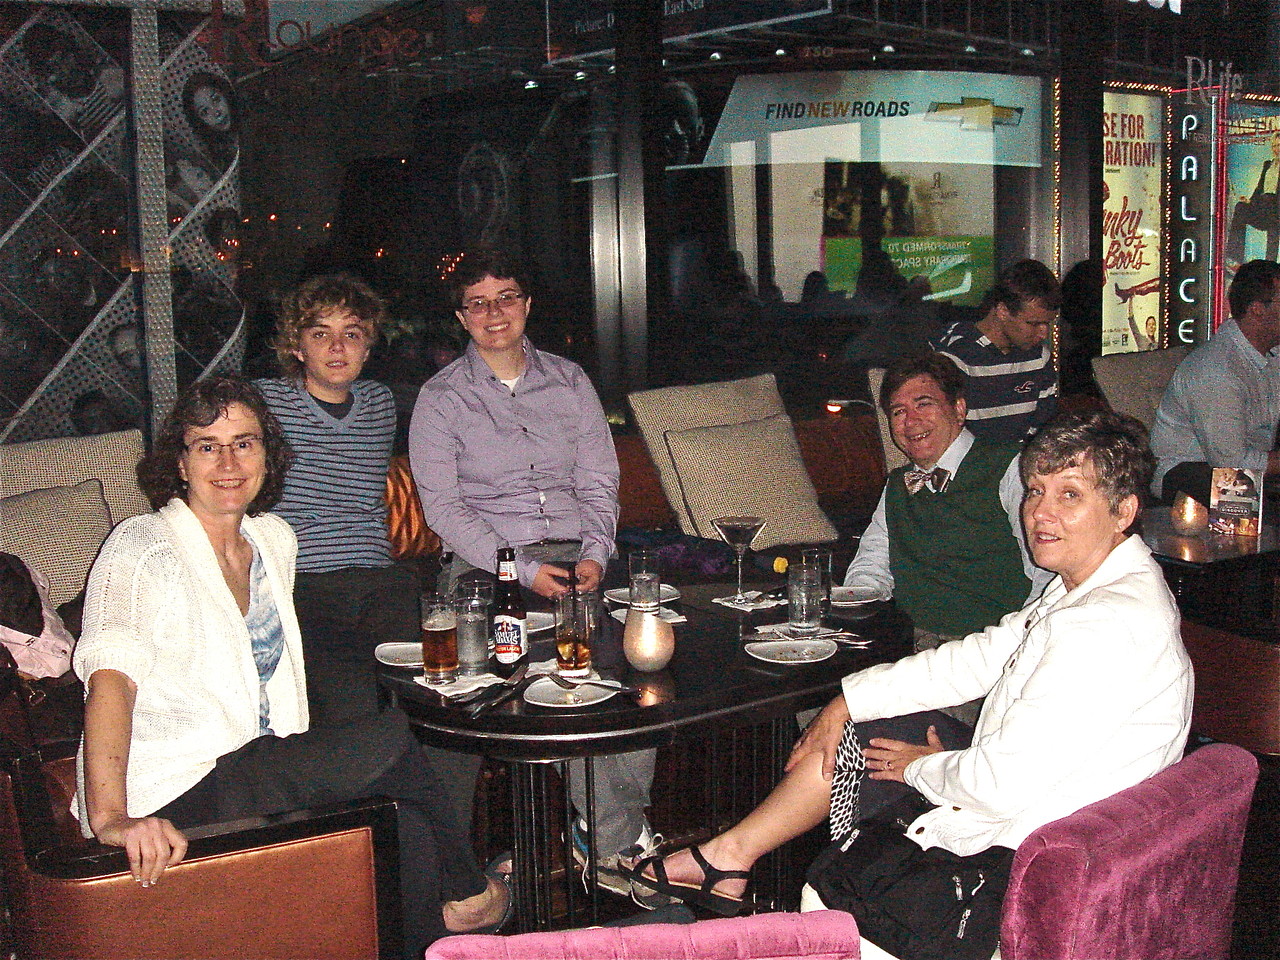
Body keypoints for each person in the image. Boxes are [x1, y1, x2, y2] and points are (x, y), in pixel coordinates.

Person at [626, 411, 1191, 960]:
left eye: (1069, 495)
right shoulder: (1086, 589)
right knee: (866, 727)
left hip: (1025, 860)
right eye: (1035, 490)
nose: (1040, 512)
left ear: (1123, 511)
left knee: (869, 766)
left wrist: (922, 766)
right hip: (1037, 805)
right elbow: (978, 657)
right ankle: (730, 857)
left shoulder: (1101, 624)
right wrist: (847, 697)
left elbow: (999, 785)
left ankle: (749, 878)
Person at [71, 377, 510, 957]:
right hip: (176, 790)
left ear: (267, 455)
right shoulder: (141, 548)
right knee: (393, 738)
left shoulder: (273, 539)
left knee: (399, 823)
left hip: (258, 765)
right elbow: (110, 681)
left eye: (244, 443)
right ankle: (472, 892)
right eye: (207, 445)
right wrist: (112, 818)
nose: (228, 462)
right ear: (179, 463)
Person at [409, 246, 661, 904]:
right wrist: (518, 566)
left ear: (527, 304)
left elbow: (600, 481)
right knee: (519, 670)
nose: (495, 313)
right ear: (462, 316)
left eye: (507, 297)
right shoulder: (439, 401)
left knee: (626, 673)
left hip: (578, 555)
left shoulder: (571, 380)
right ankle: (606, 839)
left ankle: (609, 834)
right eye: (478, 302)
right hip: (483, 561)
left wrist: (595, 555)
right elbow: (443, 508)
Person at [845, 353, 1051, 722]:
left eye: (923, 404)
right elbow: (871, 564)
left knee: (863, 730)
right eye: (897, 412)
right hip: (908, 646)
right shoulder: (897, 485)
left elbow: (1047, 575)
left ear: (958, 409)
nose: (910, 422)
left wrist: (1021, 659)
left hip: (980, 658)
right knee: (819, 702)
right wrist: (851, 616)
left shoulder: (1010, 469)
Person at [255, 274, 414, 728]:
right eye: (320, 334)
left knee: (428, 696)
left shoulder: (381, 402)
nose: (338, 348)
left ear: (368, 348)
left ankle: (419, 798)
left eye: (352, 335)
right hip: (304, 581)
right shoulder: (265, 401)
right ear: (297, 347)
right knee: (351, 703)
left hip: (380, 578)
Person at [1150, 258, 1280, 505]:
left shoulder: (1272, 355)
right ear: (1257, 310)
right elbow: (1232, 464)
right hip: (1190, 477)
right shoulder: (1217, 370)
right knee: (1238, 488)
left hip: (1245, 473)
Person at [931, 259, 1060, 443]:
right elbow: (945, 436)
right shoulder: (956, 358)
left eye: (1047, 323)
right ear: (1002, 311)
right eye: (1033, 323)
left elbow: (1045, 430)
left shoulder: (1038, 357)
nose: (1043, 333)